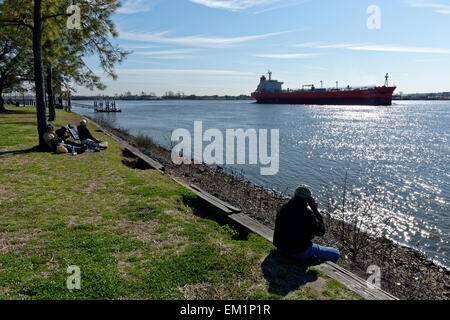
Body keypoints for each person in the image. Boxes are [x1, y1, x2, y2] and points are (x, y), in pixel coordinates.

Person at [273, 184, 340, 264]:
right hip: (296, 252)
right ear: (309, 199)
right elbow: (321, 232)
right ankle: (323, 271)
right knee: (335, 253)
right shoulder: (307, 214)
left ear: (294, 194)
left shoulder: (284, 207)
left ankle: (310, 260)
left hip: (280, 246)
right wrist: (315, 210)